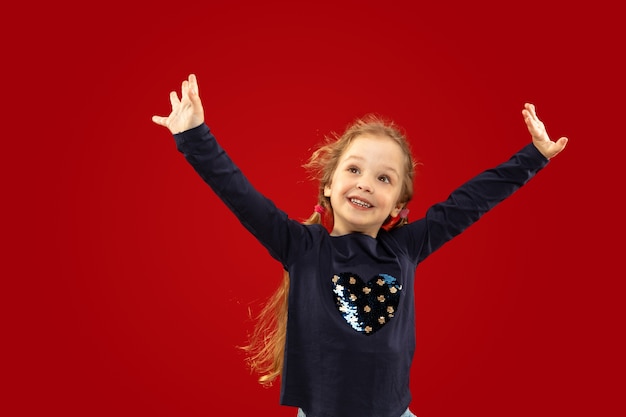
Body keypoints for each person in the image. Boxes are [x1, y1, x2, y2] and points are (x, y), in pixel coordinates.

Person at [152, 74, 568, 417]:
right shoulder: (300, 246)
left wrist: (534, 155)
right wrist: (194, 136)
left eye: (384, 179)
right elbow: (239, 195)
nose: (366, 183)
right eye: (355, 170)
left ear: (399, 205)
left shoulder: (406, 247)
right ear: (329, 185)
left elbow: (468, 203)